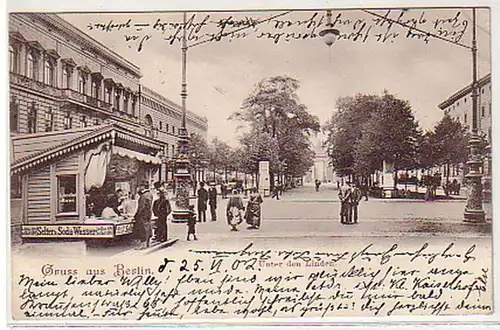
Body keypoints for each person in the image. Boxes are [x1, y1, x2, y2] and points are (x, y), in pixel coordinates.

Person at [134, 181, 154, 249]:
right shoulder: (150, 194)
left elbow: (141, 207)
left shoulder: (143, 196)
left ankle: (143, 245)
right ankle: (147, 243)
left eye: (140, 186)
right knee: (147, 227)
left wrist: (136, 215)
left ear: (143, 187)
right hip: (148, 213)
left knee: (143, 229)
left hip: (143, 214)